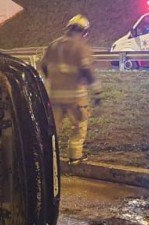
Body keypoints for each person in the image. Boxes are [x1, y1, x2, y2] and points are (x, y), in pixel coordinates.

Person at [40, 14, 102, 164]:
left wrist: (54, 80)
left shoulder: (53, 45)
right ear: (84, 32)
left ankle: (47, 158)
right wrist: (97, 92)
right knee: (79, 126)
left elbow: (43, 66)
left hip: (54, 96)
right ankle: (75, 157)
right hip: (75, 96)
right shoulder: (81, 47)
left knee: (51, 129)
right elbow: (87, 71)